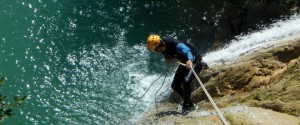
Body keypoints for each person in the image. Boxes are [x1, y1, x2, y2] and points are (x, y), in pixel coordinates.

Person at [146, 34, 208, 113]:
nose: (156, 52)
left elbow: (188, 51)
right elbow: (166, 54)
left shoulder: (177, 45)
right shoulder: (163, 48)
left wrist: (190, 60)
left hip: (195, 61)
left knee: (186, 81)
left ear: (159, 46)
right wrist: (167, 57)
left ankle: (186, 106)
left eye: (156, 50)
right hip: (184, 62)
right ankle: (190, 103)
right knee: (175, 85)